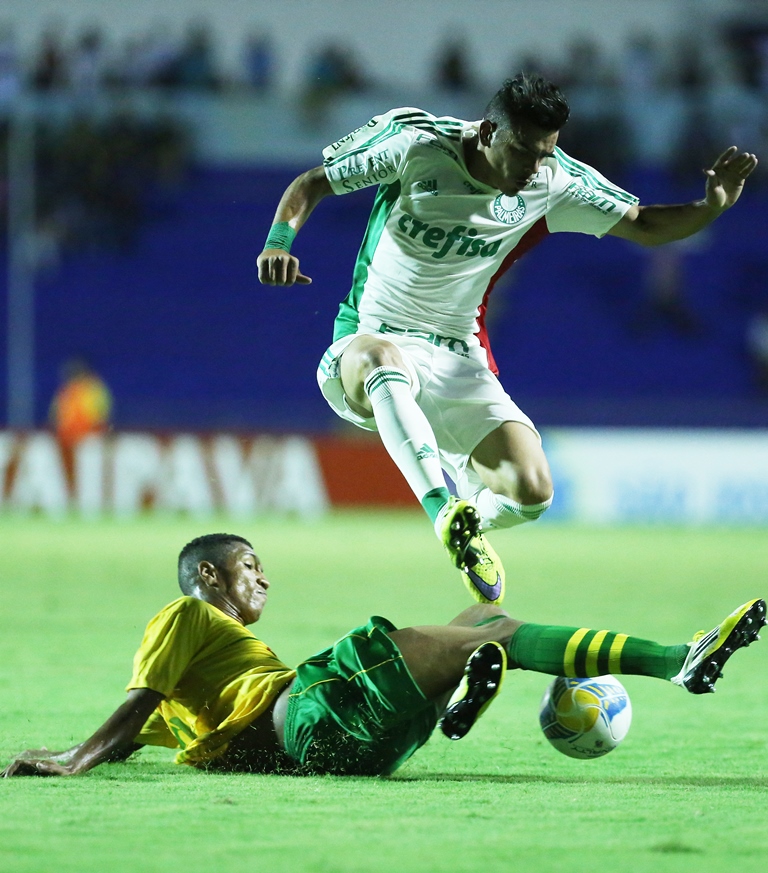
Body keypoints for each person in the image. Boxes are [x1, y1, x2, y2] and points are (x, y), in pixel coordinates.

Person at [256, 73, 759, 606]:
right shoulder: (419, 145)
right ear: (489, 131)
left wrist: (710, 208)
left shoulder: (554, 180)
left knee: (533, 489)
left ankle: (470, 524)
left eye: (545, 153)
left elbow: (644, 224)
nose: (533, 167)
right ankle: (443, 511)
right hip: (365, 344)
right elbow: (311, 182)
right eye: (523, 151)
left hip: (455, 354)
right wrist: (277, 242)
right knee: (383, 356)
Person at [3, 533, 764, 778]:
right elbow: (140, 700)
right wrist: (74, 757)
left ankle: (459, 691)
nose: (263, 575)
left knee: (484, 616)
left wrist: (98, 751)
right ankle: (675, 658)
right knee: (489, 630)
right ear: (208, 576)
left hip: (340, 746)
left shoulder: (217, 671)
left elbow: (147, 725)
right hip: (305, 709)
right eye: (248, 563)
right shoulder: (185, 614)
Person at [49, 356, 113, 450]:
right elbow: (55, 415)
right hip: (68, 439)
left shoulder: (94, 388)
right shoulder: (65, 391)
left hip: (91, 438)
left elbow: (102, 414)